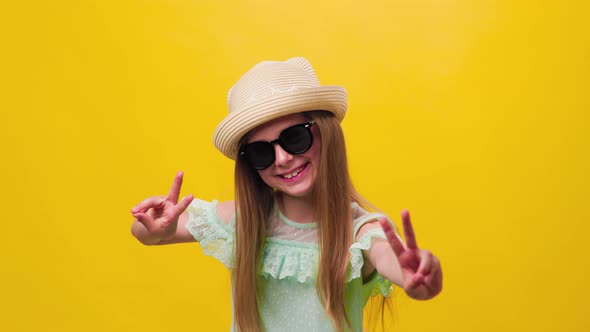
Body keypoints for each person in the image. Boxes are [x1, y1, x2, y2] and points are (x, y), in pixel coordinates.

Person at [130, 57, 443, 332]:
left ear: (326, 133)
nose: (281, 159)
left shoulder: (360, 232)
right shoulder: (244, 221)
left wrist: (417, 277)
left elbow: (392, 260)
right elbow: (147, 233)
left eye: (294, 138)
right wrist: (156, 228)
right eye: (261, 152)